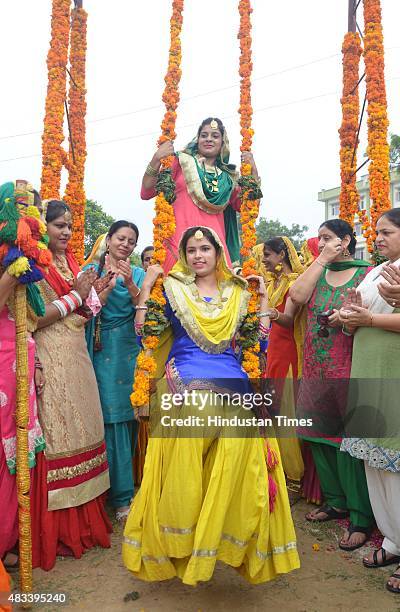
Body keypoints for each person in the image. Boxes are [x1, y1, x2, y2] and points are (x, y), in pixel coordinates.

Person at [122, 226, 299, 585]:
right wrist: (146, 287)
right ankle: (183, 534)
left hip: (230, 373)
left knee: (243, 446)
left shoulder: (238, 292)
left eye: (205, 248)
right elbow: (146, 333)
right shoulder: (171, 289)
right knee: (198, 418)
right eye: (191, 250)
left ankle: (225, 534)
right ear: (184, 255)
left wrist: (263, 300)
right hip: (186, 369)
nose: (198, 255)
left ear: (218, 253)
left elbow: (257, 343)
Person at [32, 200, 111, 570]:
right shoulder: (31, 266)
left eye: (69, 226)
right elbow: (34, 319)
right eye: (58, 225)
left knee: (85, 428)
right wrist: (79, 295)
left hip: (76, 355)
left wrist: (99, 296)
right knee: (61, 433)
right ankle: (60, 530)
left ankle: (86, 523)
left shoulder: (71, 262)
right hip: (50, 356)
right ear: (41, 227)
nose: (65, 232)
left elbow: (78, 316)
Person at [289, 219, 374, 551]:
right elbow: (296, 297)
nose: (320, 242)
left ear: (346, 241)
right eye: (319, 237)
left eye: (328, 238)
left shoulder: (366, 272)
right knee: (318, 437)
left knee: (347, 443)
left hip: (348, 365)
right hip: (315, 364)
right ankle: (335, 500)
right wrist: (321, 258)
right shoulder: (318, 269)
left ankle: (360, 517)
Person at [339, 209, 400, 593]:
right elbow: (356, 317)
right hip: (367, 368)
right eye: (376, 231)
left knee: (396, 463)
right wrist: (349, 314)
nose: (377, 237)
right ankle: (393, 541)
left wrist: (368, 321)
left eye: (387, 232)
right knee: (375, 462)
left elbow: (372, 320)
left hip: (393, 372)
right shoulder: (377, 271)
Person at [141, 117, 260, 272]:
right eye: (204, 135)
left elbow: (250, 210)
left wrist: (253, 172)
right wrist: (157, 158)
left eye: (215, 136)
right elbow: (147, 191)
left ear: (223, 143)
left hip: (213, 255)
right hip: (176, 247)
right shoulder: (181, 162)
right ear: (197, 140)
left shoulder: (229, 179)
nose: (209, 139)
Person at [85, 221, 144, 523]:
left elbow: (146, 307)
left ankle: (123, 496)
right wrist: (101, 291)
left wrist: (131, 284)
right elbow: (81, 309)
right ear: (108, 240)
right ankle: (100, 496)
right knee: (103, 418)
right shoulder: (89, 270)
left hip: (128, 350)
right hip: (97, 347)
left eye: (132, 241)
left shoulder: (139, 273)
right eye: (121, 238)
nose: (126, 244)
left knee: (124, 419)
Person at [0, 181, 46, 572]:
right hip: (0, 365)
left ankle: (15, 536)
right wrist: (9, 275)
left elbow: (32, 319)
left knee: (20, 455)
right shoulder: (8, 260)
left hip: (23, 361)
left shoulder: (30, 261)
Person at [257, 237, 305, 497]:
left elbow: (288, 320)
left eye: (268, 254)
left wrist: (270, 314)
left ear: (282, 255)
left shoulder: (296, 282)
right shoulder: (272, 283)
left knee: (286, 416)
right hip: (272, 354)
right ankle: (278, 470)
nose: (264, 259)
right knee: (272, 413)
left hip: (287, 355)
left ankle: (295, 478)